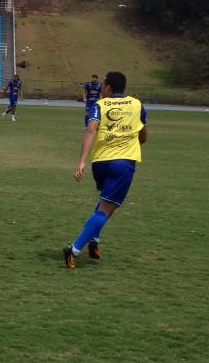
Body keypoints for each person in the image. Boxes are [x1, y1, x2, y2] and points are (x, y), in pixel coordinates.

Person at [63, 71, 148, 269]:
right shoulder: (136, 104)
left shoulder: (99, 105)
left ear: (108, 87)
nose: (101, 88)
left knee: (105, 201)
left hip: (100, 162)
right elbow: (143, 136)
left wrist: (82, 161)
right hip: (123, 163)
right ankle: (74, 249)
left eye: (103, 85)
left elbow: (91, 129)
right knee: (107, 208)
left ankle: (95, 241)